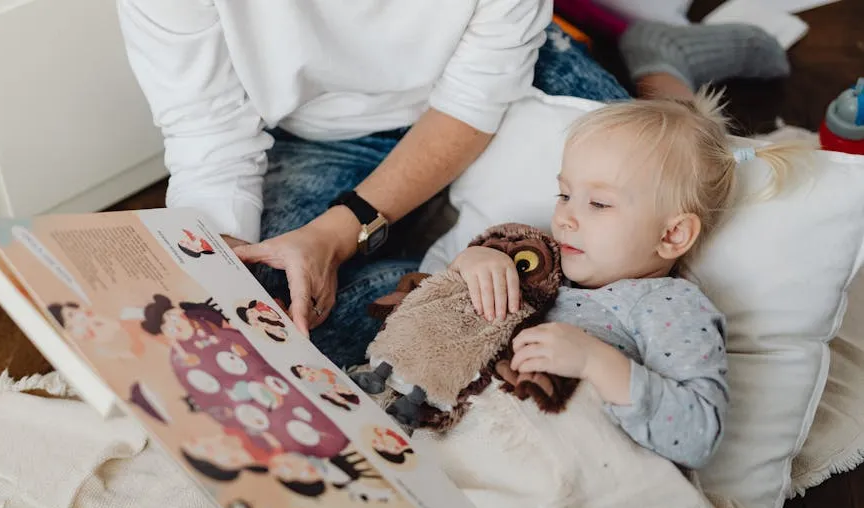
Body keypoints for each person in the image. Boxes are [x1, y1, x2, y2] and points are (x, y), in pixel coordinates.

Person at [116, 1, 788, 368]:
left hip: (488, 95)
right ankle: (432, 275)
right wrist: (210, 276)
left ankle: (661, 67)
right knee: (260, 340)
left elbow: (471, 104)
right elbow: (209, 135)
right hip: (311, 135)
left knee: (641, 245)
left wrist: (335, 234)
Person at [449, 89, 807, 468]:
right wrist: (474, 261)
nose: (566, 217)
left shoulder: (668, 304)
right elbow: (434, 316)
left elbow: (698, 434)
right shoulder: (542, 260)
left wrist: (593, 362)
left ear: (671, 235)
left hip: (558, 468)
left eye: (599, 204)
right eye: (565, 194)